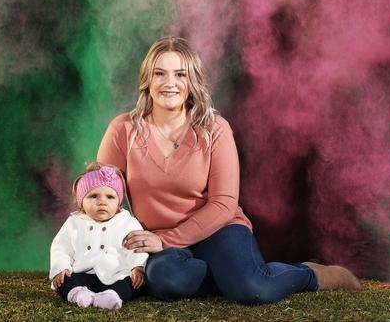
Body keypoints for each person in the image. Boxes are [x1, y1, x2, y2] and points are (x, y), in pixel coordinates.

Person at [96, 36, 361, 305]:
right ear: (147, 80)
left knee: (253, 289)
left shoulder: (214, 128)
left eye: (180, 74)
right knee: (166, 281)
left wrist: (164, 240)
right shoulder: (123, 130)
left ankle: (310, 274)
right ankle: (229, 274)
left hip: (217, 230)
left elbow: (224, 203)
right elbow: (102, 195)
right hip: (156, 241)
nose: (169, 83)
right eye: (159, 73)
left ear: (192, 82)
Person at [49, 162, 148, 310]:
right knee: (62, 281)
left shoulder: (127, 222)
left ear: (119, 204)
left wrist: (137, 267)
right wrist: (61, 267)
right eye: (93, 196)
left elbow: (136, 247)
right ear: (82, 202)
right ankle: (78, 295)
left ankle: (112, 296)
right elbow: (61, 248)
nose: (102, 202)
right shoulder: (74, 222)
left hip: (116, 274)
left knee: (133, 283)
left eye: (110, 197)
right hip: (82, 273)